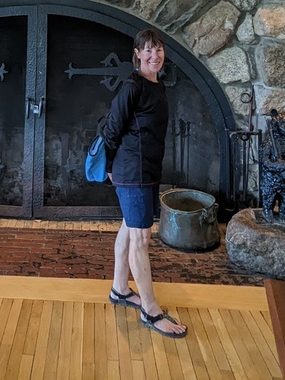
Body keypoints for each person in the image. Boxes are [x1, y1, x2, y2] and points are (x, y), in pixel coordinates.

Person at [100, 28, 188, 339]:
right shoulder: (132, 85)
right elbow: (112, 128)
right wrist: (110, 166)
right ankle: (151, 311)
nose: (155, 55)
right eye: (148, 50)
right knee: (141, 239)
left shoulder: (157, 85)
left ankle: (120, 289)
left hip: (147, 170)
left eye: (159, 49)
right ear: (137, 54)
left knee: (129, 226)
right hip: (131, 171)